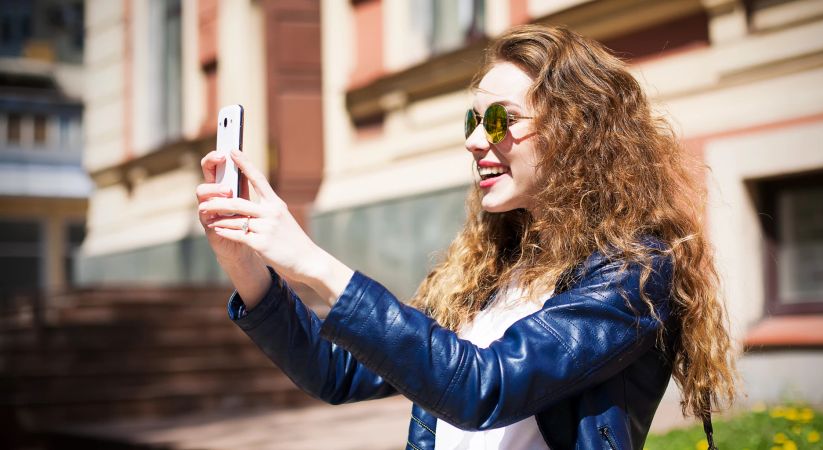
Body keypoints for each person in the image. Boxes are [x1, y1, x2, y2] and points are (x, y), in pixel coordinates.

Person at [196, 24, 737, 450]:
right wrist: (245, 262)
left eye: (501, 120)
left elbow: (486, 385)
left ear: (578, 130)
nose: (477, 140)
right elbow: (335, 373)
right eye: (472, 121)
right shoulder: (489, 267)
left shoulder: (634, 271)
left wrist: (310, 261)